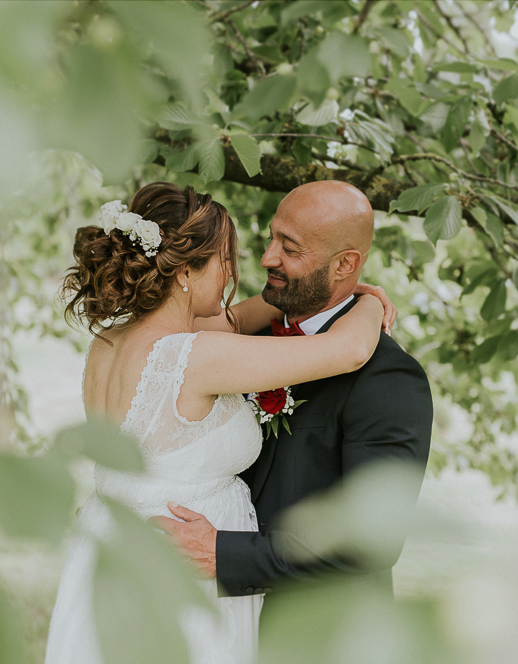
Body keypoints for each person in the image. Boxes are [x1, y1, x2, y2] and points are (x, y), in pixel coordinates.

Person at [41, 181, 394, 664]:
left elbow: (238, 318)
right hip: (182, 565)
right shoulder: (196, 356)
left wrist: (315, 289)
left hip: (111, 546)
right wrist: (372, 300)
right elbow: (349, 352)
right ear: (185, 270)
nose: (233, 273)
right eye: (224, 261)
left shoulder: (112, 341)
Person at [158, 180, 433, 611]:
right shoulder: (234, 347)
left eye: (290, 247)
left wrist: (225, 556)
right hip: (216, 615)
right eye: (271, 238)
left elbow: (372, 536)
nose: (268, 257)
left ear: (345, 264)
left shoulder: (390, 377)